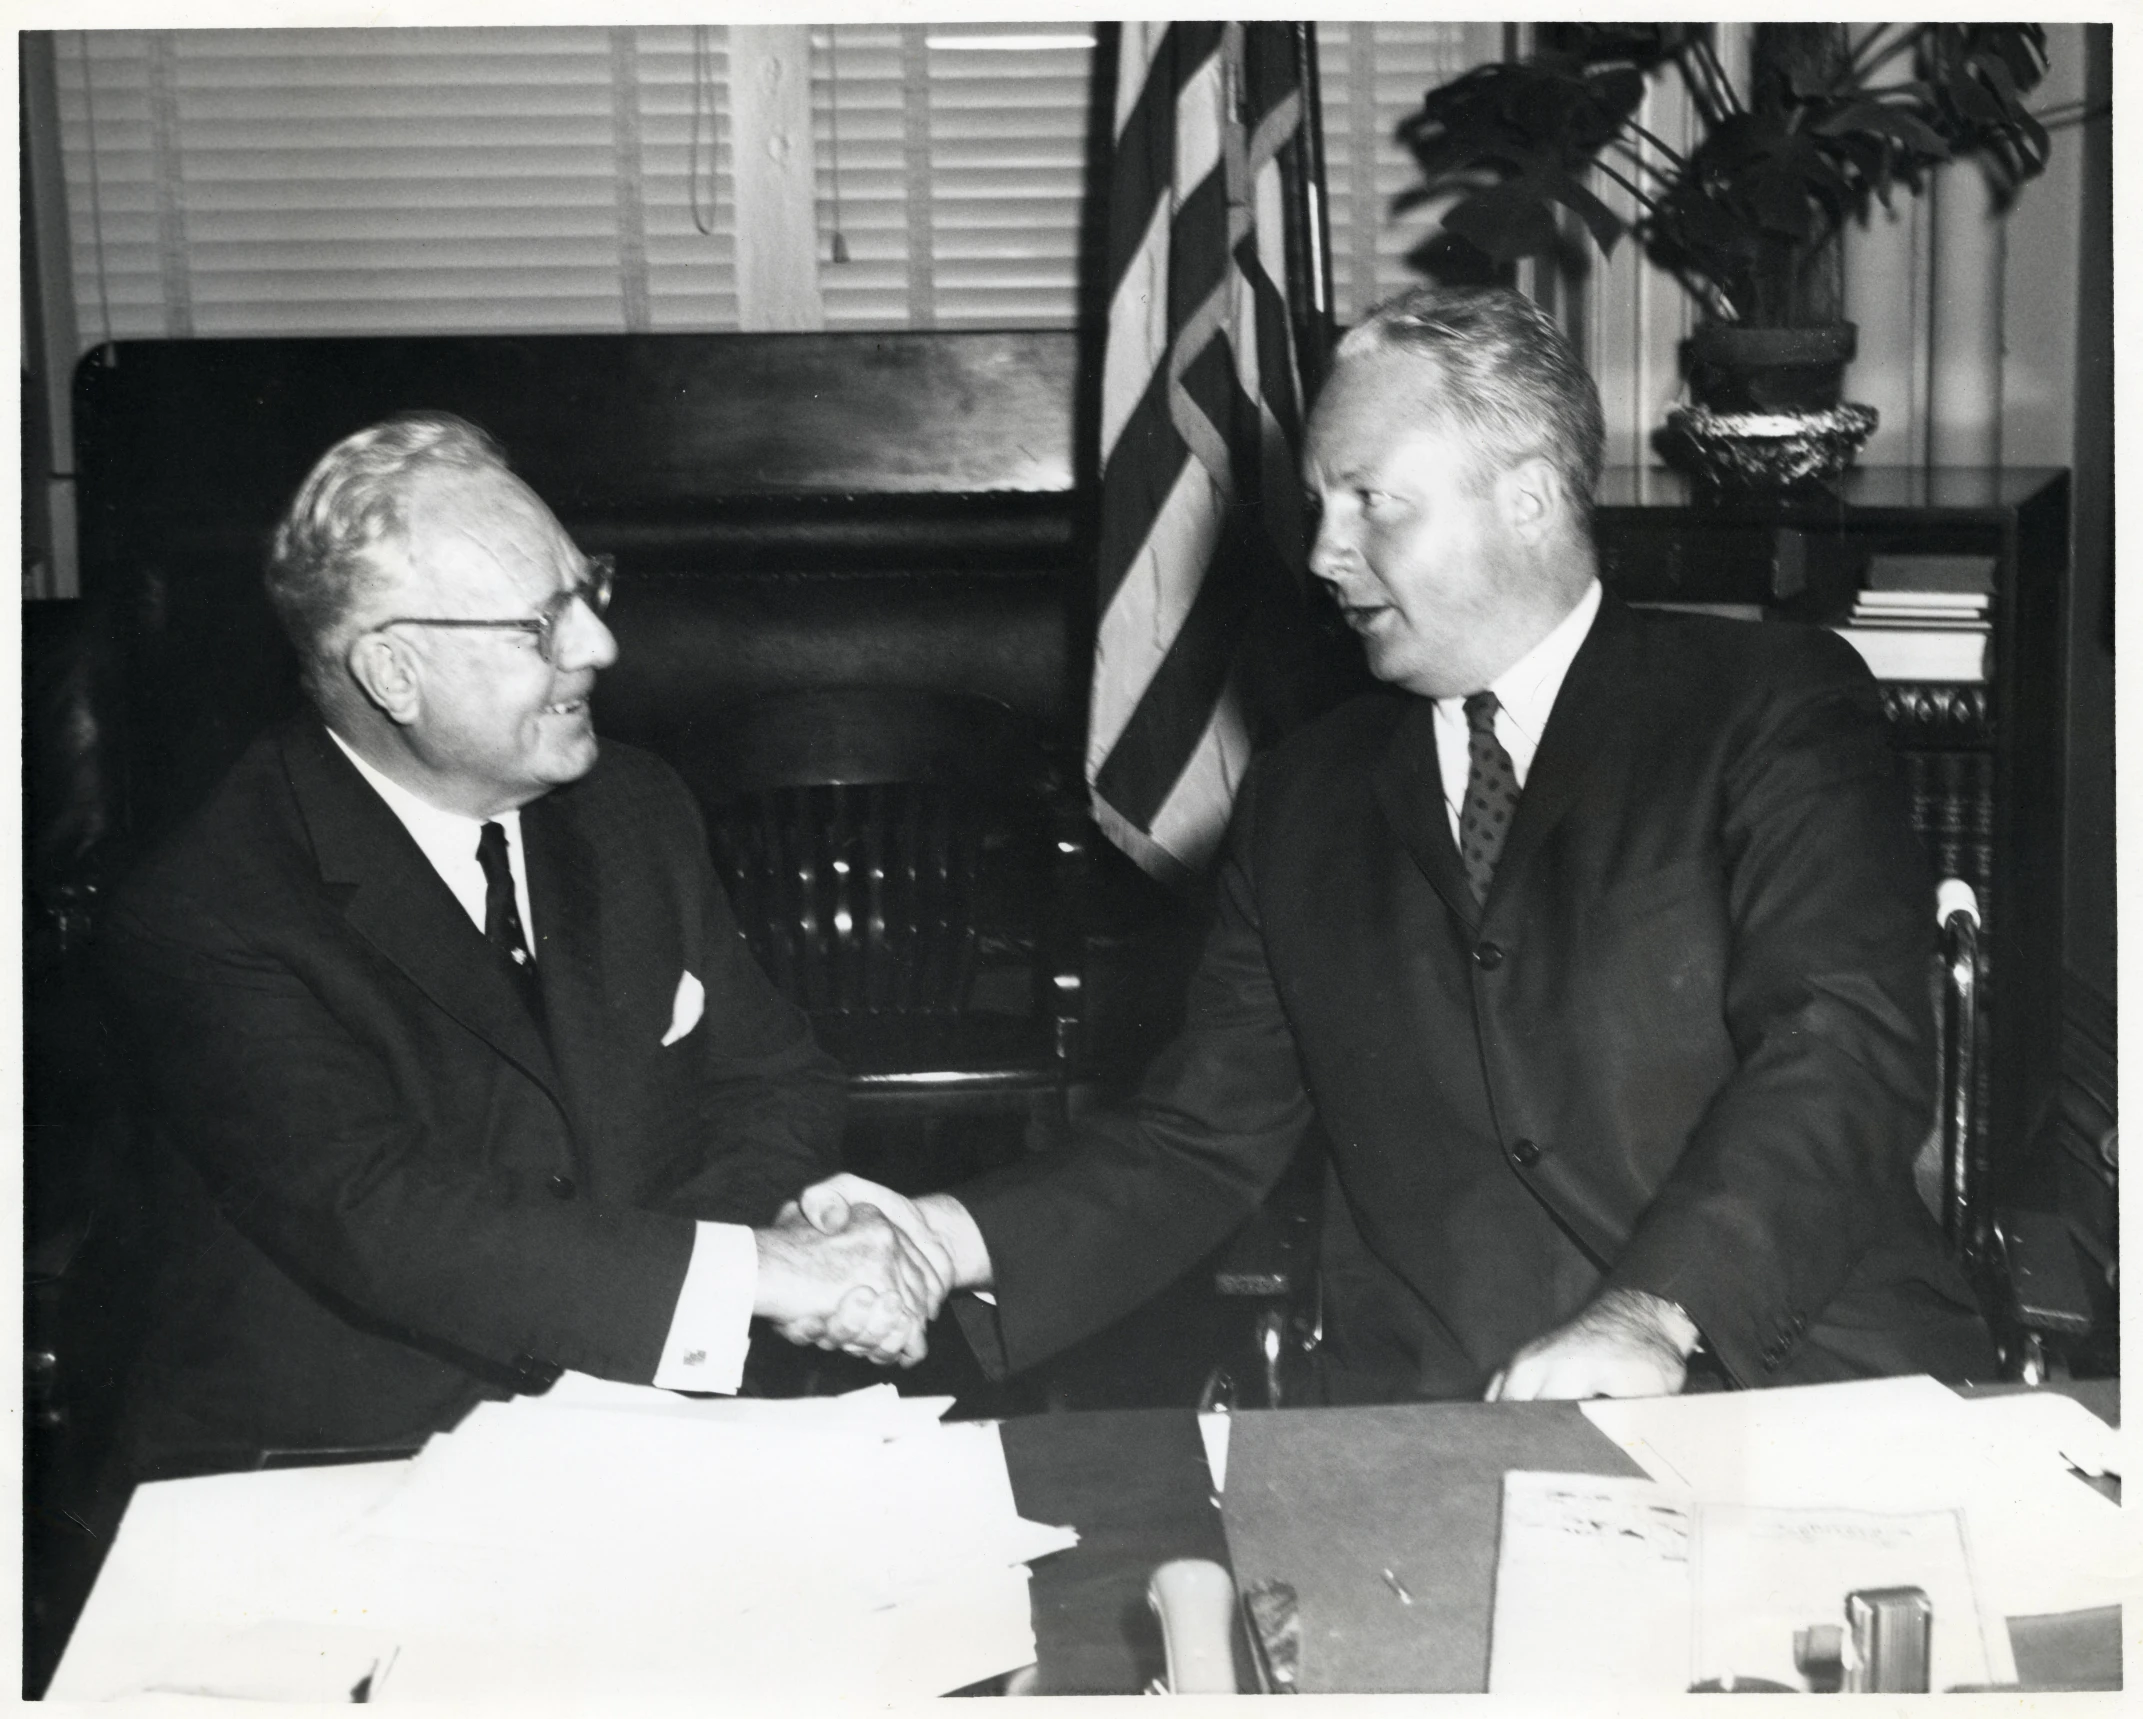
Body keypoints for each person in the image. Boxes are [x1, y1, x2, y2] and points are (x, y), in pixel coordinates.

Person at [799, 284, 1997, 1402]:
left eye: (1371, 501)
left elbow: (1841, 1047)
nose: (1321, 553)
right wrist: (941, 1237)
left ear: (1525, 497)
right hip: (1450, 1411)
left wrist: (1656, 1313)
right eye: (1321, 503)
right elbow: (1200, 1134)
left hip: (1787, 1378)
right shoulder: (1301, 799)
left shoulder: (1764, 705)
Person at [103, 412, 939, 1470]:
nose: (598, 645)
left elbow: (775, 1081)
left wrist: (724, 1274)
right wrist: (760, 1276)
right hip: (339, 1461)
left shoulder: (632, 806)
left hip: (637, 1413)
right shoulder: (210, 904)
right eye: (536, 625)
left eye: (587, 589)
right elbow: (384, 1217)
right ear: (392, 672)